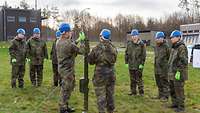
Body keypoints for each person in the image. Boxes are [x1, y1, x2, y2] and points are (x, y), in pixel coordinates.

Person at [56, 23, 85, 113]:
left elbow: (71, 46)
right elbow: (82, 51)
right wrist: (83, 41)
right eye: (69, 31)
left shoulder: (59, 41)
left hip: (62, 68)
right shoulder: (68, 44)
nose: (71, 33)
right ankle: (63, 108)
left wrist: (77, 40)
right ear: (65, 33)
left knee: (68, 87)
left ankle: (65, 105)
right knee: (66, 88)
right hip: (67, 70)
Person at [88, 29, 118, 113]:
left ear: (101, 37)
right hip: (111, 75)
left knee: (101, 97)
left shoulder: (97, 48)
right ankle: (111, 111)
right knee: (110, 95)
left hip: (100, 76)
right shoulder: (113, 48)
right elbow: (114, 59)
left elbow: (90, 61)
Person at [168, 30, 188, 112]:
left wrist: (179, 71)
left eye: (173, 37)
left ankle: (181, 107)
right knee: (172, 89)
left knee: (179, 90)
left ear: (178, 37)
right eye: (171, 38)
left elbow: (184, 61)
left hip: (178, 73)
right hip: (172, 72)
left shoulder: (181, 47)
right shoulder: (174, 47)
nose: (171, 39)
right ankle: (175, 103)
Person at [125, 29, 146, 96]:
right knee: (132, 79)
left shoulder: (141, 44)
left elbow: (143, 55)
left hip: (138, 65)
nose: (134, 37)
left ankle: (141, 92)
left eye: (135, 35)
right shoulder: (129, 44)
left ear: (138, 36)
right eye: (133, 35)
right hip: (131, 64)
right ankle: (133, 92)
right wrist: (126, 62)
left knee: (139, 79)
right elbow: (126, 53)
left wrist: (141, 64)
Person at [153, 31, 170, 101]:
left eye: (160, 38)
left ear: (163, 38)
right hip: (157, 67)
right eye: (157, 38)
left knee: (164, 82)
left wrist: (165, 65)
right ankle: (160, 95)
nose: (158, 39)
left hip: (164, 68)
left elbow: (169, 57)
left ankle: (166, 96)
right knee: (158, 82)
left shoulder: (166, 46)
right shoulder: (156, 46)